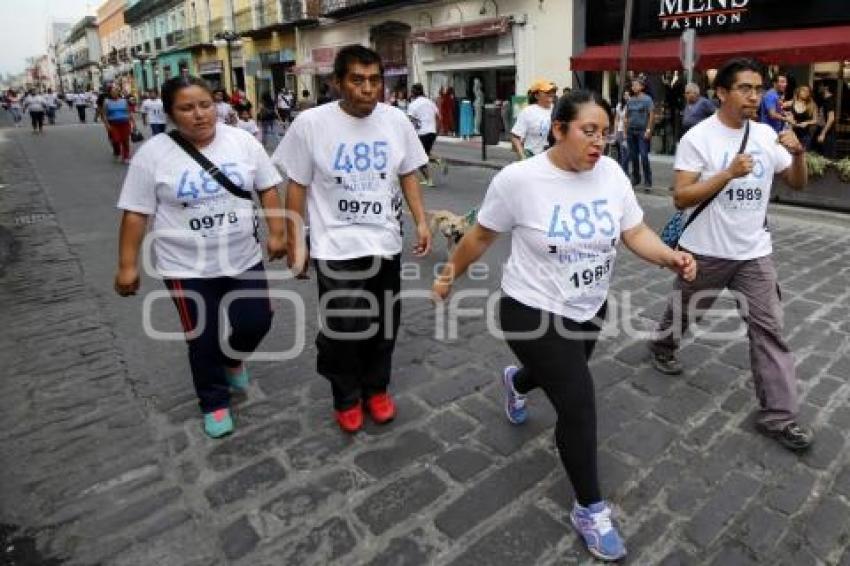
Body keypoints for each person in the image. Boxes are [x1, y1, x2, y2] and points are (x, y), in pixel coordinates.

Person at [433, 90, 697, 562]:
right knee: (577, 402)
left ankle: (517, 380)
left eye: (605, 132)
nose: (601, 142)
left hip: (587, 308)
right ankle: (589, 509)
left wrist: (669, 258)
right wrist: (450, 275)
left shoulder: (612, 174)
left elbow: (633, 231)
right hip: (528, 309)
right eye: (589, 131)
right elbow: (480, 235)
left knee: (558, 376)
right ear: (559, 130)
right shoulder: (520, 180)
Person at [648, 57, 812, 452]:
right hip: (704, 252)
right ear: (721, 93)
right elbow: (680, 197)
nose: (754, 96)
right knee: (685, 308)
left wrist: (800, 154)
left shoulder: (767, 136)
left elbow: (798, 184)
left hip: (754, 253)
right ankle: (663, 344)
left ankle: (779, 415)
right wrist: (725, 174)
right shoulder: (698, 138)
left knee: (769, 329)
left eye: (758, 89)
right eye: (745, 88)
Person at [114, 76, 286, 438]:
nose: (199, 115)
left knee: (256, 322)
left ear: (216, 105)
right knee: (201, 338)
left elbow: (267, 188)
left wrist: (278, 232)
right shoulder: (153, 155)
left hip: (242, 258)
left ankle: (233, 358)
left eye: (205, 105)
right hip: (185, 267)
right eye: (186, 108)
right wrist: (128, 265)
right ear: (171, 112)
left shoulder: (242, 142)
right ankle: (214, 401)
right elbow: (135, 213)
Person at [272, 45, 431, 433]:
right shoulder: (310, 124)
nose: (367, 89)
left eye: (374, 80)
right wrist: (297, 241)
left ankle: (376, 388)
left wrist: (421, 222)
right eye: (357, 80)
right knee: (344, 327)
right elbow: (297, 186)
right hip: (335, 246)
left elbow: (408, 172)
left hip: (384, 243)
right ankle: (345, 395)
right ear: (337, 82)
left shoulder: (396, 121)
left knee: (383, 324)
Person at [511, 79, 557, 159]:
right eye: (547, 92)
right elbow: (515, 137)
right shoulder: (528, 111)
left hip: (552, 158)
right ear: (537, 96)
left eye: (553, 92)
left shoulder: (557, 109)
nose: (551, 94)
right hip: (532, 156)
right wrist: (522, 156)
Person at [407, 83, 441, 187]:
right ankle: (437, 160)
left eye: (411, 91)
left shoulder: (413, 105)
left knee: (419, 158)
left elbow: (410, 121)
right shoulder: (430, 102)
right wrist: (437, 132)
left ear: (414, 92)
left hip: (422, 133)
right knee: (424, 154)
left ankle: (429, 179)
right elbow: (438, 117)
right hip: (432, 132)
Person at [624, 78, 655, 190]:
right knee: (633, 156)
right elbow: (626, 116)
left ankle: (648, 181)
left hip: (642, 131)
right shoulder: (630, 100)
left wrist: (648, 130)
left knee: (644, 155)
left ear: (642, 87)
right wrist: (625, 131)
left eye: (636, 85)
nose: (634, 87)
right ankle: (636, 178)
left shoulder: (647, 99)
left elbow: (651, 115)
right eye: (633, 86)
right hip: (631, 131)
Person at [103, 84, 135, 164]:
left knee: (125, 141)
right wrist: (107, 125)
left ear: (118, 92)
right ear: (109, 93)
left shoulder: (124, 101)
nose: (114, 93)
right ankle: (118, 152)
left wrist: (133, 122)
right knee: (116, 140)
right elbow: (104, 115)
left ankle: (126, 157)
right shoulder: (107, 102)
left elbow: (128, 112)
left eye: (116, 91)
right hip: (113, 124)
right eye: (112, 91)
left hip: (125, 123)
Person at [789, 85, 817, 150]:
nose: (806, 92)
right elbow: (779, 108)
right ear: (799, 91)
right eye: (803, 90)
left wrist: (807, 123)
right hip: (793, 134)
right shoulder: (791, 103)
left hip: (805, 135)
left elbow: (815, 120)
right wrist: (789, 118)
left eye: (808, 91)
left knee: (804, 155)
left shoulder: (812, 105)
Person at [816, 83, 836, 158]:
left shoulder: (829, 101)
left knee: (827, 158)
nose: (818, 88)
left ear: (826, 87)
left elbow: (831, 118)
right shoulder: (823, 99)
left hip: (828, 134)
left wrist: (823, 133)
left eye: (820, 86)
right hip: (822, 130)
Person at [613, 91, 630, 172]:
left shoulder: (631, 105)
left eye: (628, 95)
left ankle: (624, 170)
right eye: (625, 95)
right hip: (620, 130)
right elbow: (616, 119)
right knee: (621, 152)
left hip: (628, 131)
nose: (626, 96)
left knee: (626, 153)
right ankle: (621, 171)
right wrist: (615, 132)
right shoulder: (619, 105)